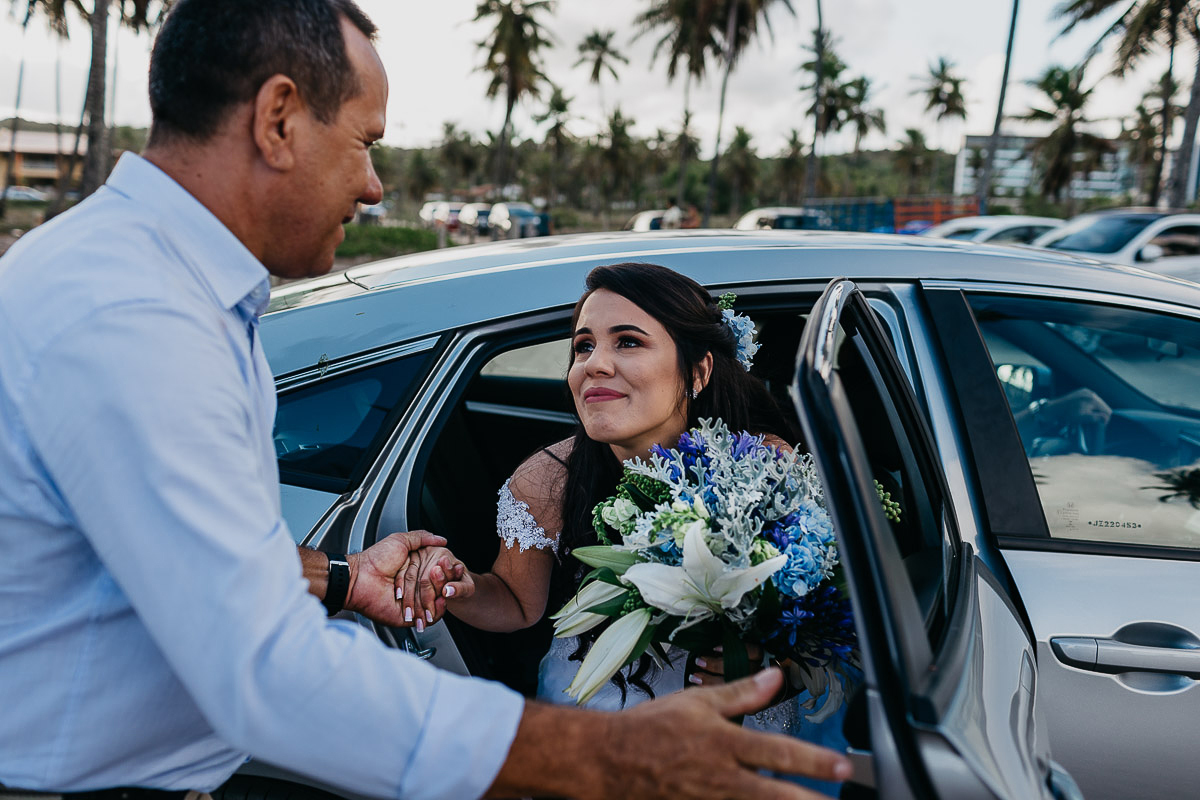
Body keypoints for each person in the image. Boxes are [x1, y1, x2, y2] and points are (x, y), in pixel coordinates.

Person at [0, 2, 851, 800]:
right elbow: (265, 671)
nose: (373, 187)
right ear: (279, 119)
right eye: (364, 143)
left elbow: (180, 559)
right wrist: (607, 755)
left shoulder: (160, 291)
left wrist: (341, 578)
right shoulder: (133, 317)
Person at [402, 263, 815, 709]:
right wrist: (456, 586)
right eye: (583, 347)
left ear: (698, 371)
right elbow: (518, 605)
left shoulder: (764, 465)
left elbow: (817, 619)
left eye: (629, 342)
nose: (594, 364)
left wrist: (777, 669)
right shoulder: (546, 480)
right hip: (597, 705)